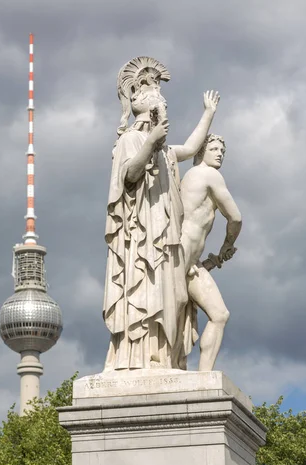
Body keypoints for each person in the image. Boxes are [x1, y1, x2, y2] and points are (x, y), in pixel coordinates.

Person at [103, 56, 219, 370]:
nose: (156, 94)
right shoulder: (130, 139)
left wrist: (208, 114)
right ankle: (140, 357)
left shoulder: (167, 151)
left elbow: (193, 148)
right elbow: (129, 175)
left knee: (178, 299)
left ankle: (169, 358)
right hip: (140, 239)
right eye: (149, 89)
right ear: (135, 100)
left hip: (167, 239)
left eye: (158, 90)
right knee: (147, 295)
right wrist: (151, 141)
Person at [179, 134, 242, 371]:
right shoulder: (207, 174)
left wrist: (213, 259)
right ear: (200, 152)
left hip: (190, 261)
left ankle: (204, 380)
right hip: (181, 257)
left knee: (219, 314)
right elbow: (235, 218)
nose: (219, 154)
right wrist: (228, 244)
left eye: (222, 151)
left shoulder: (191, 177)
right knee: (175, 313)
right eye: (214, 148)